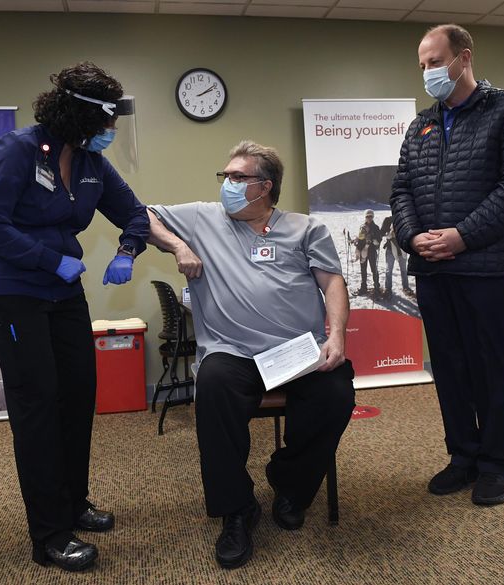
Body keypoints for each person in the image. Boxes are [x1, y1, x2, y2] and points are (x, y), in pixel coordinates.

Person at [0, 62, 149, 572]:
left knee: (76, 396)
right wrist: (49, 259)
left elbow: (134, 211)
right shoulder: (20, 151)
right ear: (79, 115)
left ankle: (74, 503)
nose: (112, 132)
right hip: (14, 293)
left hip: (64, 294)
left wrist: (128, 251)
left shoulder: (91, 161)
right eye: (107, 120)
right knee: (39, 404)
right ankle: (49, 535)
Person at [147, 140, 355, 570]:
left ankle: (290, 483)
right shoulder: (204, 217)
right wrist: (177, 247)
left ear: (266, 187)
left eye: (238, 177)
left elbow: (332, 283)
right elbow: (141, 214)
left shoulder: (305, 228)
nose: (228, 183)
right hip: (233, 352)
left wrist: (336, 336)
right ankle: (237, 509)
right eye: (226, 176)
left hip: (296, 352)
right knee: (214, 384)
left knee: (336, 393)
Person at [389, 24, 504, 506]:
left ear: (463, 58)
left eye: (435, 62)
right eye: (422, 66)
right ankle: (463, 457)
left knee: (490, 367)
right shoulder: (421, 125)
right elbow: (401, 191)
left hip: (484, 267)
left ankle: (497, 464)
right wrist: (414, 238)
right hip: (433, 270)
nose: (428, 72)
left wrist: (461, 237)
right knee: (450, 368)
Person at [351, 209, 382, 295]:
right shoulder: (362, 227)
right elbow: (360, 238)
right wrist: (356, 243)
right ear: (365, 217)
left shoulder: (376, 227)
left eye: (370, 216)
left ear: (373, 217)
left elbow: (379, 239)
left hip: (371, 251)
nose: (369, 218)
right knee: (363, 270)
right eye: (367, 216)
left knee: (374, 269)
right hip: (362, 251)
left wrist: (376, 241)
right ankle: (363, 288)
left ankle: (376, 288)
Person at [380, 217, 411, 299]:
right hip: (390, 249)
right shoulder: (387, 220)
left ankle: (406, 287)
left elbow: (409, 231)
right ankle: (388, 288)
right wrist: (388, 234)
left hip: (402, 249)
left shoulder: (404, 218)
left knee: (403, 270)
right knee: (388, 270)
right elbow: (381, 232)